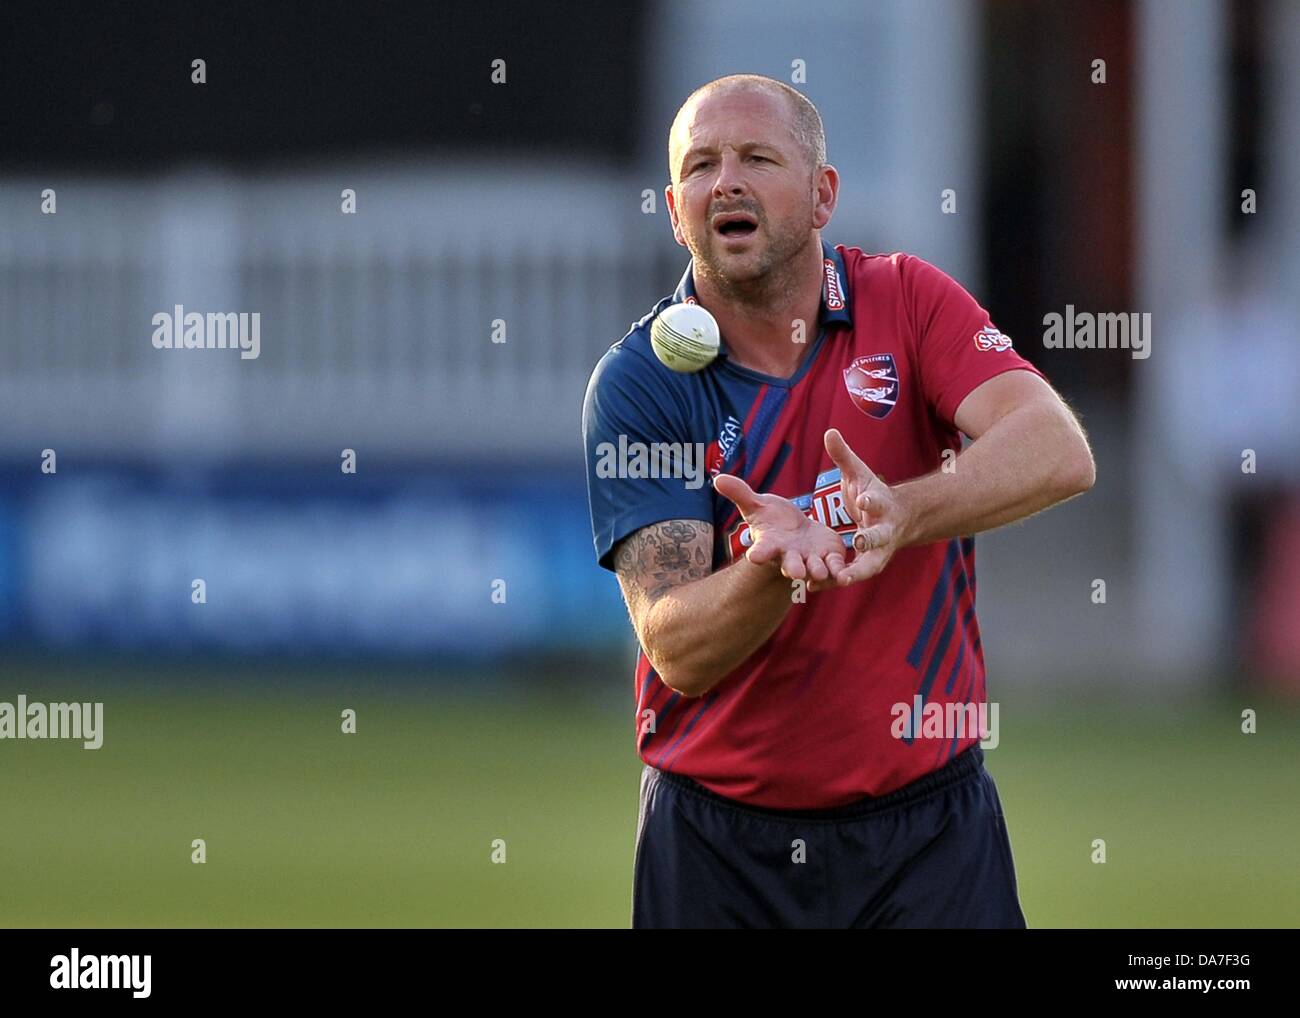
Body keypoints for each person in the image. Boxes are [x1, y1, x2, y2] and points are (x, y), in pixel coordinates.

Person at [581, 74, 1095, 928]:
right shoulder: (641, 382)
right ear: (677, 211)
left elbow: (1058, 450)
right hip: (716, 846)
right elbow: (677, 648)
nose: (728, 182)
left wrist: (904, 512)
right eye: (702, 166)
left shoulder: (907, 298)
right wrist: (771, 566)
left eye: (756, 158)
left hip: (929, 833)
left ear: (823, 195)